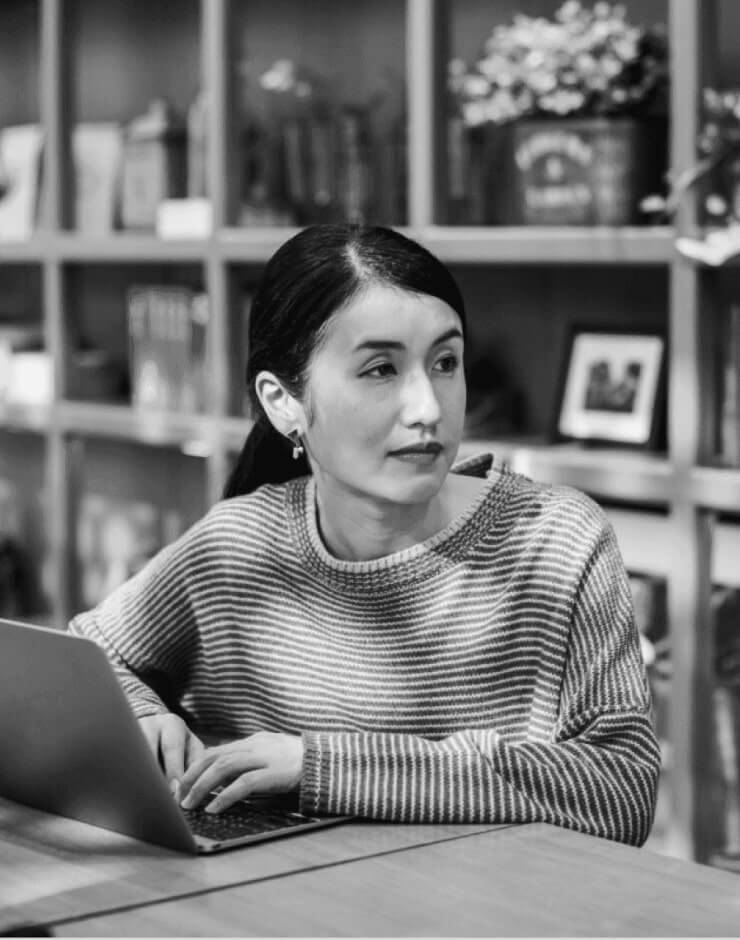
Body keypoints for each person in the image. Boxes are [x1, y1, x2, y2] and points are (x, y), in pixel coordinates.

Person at [69, 224, 660, 847]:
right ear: (283, 402)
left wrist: (325, 766)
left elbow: (621, 789)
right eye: (381, 369)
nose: (428, 408)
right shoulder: (239, 543)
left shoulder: (557, 541)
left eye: (445, 362)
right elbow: (85, 657)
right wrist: (142, 715)